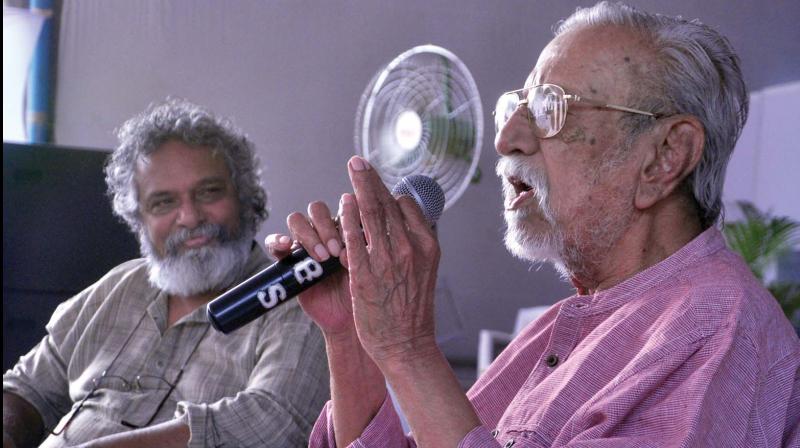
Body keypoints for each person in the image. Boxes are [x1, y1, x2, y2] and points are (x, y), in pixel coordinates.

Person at [267, 2, 800, 447]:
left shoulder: (717, 322)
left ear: (665, 156)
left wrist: (408, 349)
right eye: (514, 107)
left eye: (551, 108)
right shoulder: (566, 323)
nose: (507, 140)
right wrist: (352, 337)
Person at [3, 99, 330, 448]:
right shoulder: (119, 286)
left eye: (209, 192)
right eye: (163, 202)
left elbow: (276, 425)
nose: (189, 217)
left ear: (247, 198)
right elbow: (25, 389)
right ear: (138, 218)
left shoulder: (294, 297)